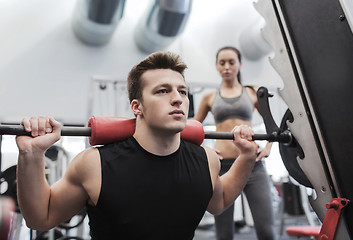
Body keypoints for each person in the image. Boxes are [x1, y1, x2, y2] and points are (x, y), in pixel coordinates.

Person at [15, 51, 258, 240]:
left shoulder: (206, 159)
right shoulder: (94, 164)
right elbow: (41, 218)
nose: (177, 98)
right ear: (136, 107)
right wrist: (31, 154)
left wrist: (246, 157)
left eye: (182, 92)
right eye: (162, 91)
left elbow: (220, 201)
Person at [194, 46, 276, 240]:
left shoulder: (252, 92)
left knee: (266, 230)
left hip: (253, 166)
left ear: (240, 63)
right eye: (222, 63)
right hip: (222, 167)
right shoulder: (209, 97)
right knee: (224, 234)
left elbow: (272, 124)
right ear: (217, 66)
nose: (227, 67)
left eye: (232, 62)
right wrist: (204, 151)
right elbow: (193, 129)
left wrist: (268, 148)